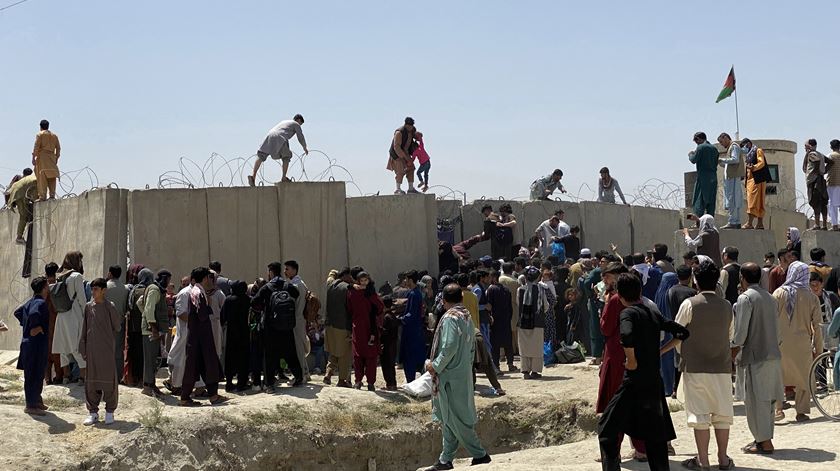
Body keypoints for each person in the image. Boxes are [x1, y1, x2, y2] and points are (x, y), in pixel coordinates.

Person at [597, 273, 688, 471]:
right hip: (653, 382)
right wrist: (661, 351)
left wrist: (631, 360)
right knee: (655, 436)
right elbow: (682, 332)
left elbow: (627, 336)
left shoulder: (628, 313)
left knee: (606, 428)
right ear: (640, 291)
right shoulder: (652, 312)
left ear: (620, 295)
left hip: (633, 382)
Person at [671, 260, 735, 471]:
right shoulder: (727, 306)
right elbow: (730, 336)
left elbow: (677, 334)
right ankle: (723, 459)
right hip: (722, 367)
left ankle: (703, 460)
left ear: (695, 280)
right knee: (722, 414)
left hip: (695, 367)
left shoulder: (689, 304)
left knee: (699, 415)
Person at [422, 284, 491, 471]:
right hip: (461, 374)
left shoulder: (451, 318)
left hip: (449, 376)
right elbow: (469, 348)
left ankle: (480, 454)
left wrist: (434, 366)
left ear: (444, 300)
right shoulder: (466, 315)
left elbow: (449, 346)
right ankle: (446, 459)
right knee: (449, 417)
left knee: (454, 419)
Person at [732, 263, 783, 454]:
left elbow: (740, 335)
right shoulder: (770, 298)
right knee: (768, 402)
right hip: (773, 355)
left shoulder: (745, 299)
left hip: (755, 357)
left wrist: (731, 353)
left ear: (742, 278)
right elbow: (778, 333)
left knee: (755, 403)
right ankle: (764, 439)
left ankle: (764, 442)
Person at [772, 261, 823, 421]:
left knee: (778, 376)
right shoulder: (812, 297)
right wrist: (819, 350)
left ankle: (778, 409)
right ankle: (801, 411)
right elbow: (817, 326)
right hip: (802, 345)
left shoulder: (778, 293)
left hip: (779, 343)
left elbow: (770, 319)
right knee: (804, 378)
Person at [179, 267, 228, 406]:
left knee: (205, 366)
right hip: (201, 337)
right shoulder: (198, 293)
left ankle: (212, 396)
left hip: (198, 337)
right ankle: (186, 398)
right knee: (201, 365)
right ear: (205, 278)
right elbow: (200, 314)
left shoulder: (197, 291)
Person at [252, 262, 304, 390]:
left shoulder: (267, 287)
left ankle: (269, 383)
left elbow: (254, 302)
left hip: (271, 326)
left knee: (270, 355)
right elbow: (296, 294)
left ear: (270, 271)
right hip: (287, 325)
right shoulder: (287, 285)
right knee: (290, 352)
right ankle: (298, 377)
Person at [79, 278, 122, 426]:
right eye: (92, 289)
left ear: (104, 290)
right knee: (91, 382)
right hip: (92, 350)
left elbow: (117, 326)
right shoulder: (88, 307)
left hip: (106, 350)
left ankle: (110, 412)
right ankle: (93, 413)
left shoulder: (110, 306)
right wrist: (82, 346)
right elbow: (84, 328)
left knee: (108, 380)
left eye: (96, 289)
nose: (93, 292)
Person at [14, 276, 51, 416]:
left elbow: (17, 312)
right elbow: (35, 315)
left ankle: (36, 401)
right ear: (43, 288)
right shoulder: (40, 303)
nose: (48, 288)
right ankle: (31, 405)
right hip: (36, 345)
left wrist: (26, 323)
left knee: (36, 373)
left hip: (28, 344)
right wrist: (36, 327)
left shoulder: (30, 302)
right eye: (47, 286)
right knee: (34, 374)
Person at [52, 251, 87, 383]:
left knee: (63, 348)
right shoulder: (77, 276)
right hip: (74, 314)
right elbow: (82, 300)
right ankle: (82, 377)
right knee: (77, 346)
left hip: (61, 315)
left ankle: (66, 376)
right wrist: (86, 315)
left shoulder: (60, 275)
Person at [249, 114, 308, 186]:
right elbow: (300, 137)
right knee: (287, 156)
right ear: (299, 120)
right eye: (300, 124)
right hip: (280, 136)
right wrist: (304, 147)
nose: (300, 125)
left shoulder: (285, 122)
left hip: (270, 135)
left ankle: (253, 176)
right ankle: (284, 177)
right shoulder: (296, 124)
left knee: (261, 156)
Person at [348, 272, 384, 390]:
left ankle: (369, 382)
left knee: (369, 357)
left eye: (366, 280)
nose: (363, 283)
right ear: (358, 281)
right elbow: (380, 307)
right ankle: (360, 381)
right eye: (361, 281)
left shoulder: (366, 293)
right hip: (361, 328)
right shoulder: (356, 292)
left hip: (368, 329)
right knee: (360, 357)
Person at [667, 265, 698, 398]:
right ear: (690, 276)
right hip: (689, 329)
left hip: (675, 326)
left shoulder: (671, 291)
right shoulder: (692, 293)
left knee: (677, 360)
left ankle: (675, 389)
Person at [141, 269, 172, 398]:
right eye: (168, 280)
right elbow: (149, 308)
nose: (169, 283)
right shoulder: (154, 290)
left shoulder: (156, 289)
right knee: (150, 359)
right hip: (151, 330)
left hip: (155, 329)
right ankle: (148, 387)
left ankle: (151, 384)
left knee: (154, 359)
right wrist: (152, 326)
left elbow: (140, 303)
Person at [517, 266, 549, 379]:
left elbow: (518, 304)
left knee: (524, 346)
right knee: (536, 347)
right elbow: (546, 306)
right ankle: (535, 371)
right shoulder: (541, 290)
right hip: (537, 322)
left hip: (523, 322)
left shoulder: (520, 289)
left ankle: (525, 370)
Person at [324, 267, 353, 387]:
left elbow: (331, 275)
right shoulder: (347, 288)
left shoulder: (330, 284)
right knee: (344, 354)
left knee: (334, 351)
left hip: (330, 325)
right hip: (343, 326)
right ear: (345, 276)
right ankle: (342, 380)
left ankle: (328, 373)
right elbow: (351, 309)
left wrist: (335, 272)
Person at [125, 268, 152, 387]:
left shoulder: (133, 290)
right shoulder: (147, 291)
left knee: (135, 353)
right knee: (143, 354)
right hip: (143, 328)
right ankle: (142, 378)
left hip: (133, 328)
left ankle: (135, 377)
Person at [284, 260, 311, 382]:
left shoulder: (295, 285)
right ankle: (305, 372)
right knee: (299, 346)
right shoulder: (301, 283)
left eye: (287, 269)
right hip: (300, 319)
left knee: (298, 347)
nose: (285, 271)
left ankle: (302, 375)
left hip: (296, 318)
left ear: (294, 270)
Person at [222, 281, 251, 392]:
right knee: (243, 358)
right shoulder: (248, 300)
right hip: (244, 332)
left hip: (231, 333)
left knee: (230, 358)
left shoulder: (228, 300)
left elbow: (223, 316)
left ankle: (229, 383)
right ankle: (241, 383)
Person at [487, 271, 515, 372]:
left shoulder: (491, 289)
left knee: (495, 344)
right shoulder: (506, 290)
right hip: (506, 319)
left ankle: (496, 365)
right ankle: (510, 364)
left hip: (495, 320)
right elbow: (510, 307)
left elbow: (489, 306)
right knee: (508, 343)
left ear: (494, 277)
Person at [402, 270, 427, 382]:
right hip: (417, 329)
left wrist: (400, 320)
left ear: (410, 280)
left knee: (409, 357)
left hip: (410, 331)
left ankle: (410, 381)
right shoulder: (417, 293)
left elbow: (410, 314)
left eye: (406, 279)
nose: (405, 281)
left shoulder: (413, 294)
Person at [105, 266, 129, 381]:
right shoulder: (125, 288)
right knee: (118, 350)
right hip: (119, 322)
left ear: (110, 273)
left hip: (104, 322)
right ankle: (118, 376)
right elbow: (126, 307)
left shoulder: (104, 287)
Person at [717, 132, 744, 229]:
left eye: (721, 142)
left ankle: (733, 221)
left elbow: (735, 159)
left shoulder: (734, 146)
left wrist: (722, 160)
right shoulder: (730, 148)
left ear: (725, 138)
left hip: (733, 177)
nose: (721, 144)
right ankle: (734, 221)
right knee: (731, 199)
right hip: (730, 177)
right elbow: (731, 163)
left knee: (733, 199)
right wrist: (722, 163)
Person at [688, 131, 719, 217]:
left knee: (699, 199)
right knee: (711, 201)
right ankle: (709, 222)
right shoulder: (714, 149)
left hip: (703, 178)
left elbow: (694, 160)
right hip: (713, 177)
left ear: (698, 139)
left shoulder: (701, 147)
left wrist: (690, 154)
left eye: (696, 141)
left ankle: (698, 221)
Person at [741, 138, 770, 229]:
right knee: (756, 200)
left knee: (754, 201)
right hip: (752, 180)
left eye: (744, 146)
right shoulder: (749, 154)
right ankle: (759, 224)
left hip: (757, 179)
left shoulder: (757, 150)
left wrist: (754, 167)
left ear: (748, 144)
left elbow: (761, 162)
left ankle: (750, 223)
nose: (744, 149)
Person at [387, 117, 419, 195]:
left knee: (411, 168)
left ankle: (411, 189)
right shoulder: (399, 133)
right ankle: (397, 189)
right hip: (397, 155)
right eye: (409, 125)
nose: (410, 127)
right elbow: (396, 147)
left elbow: (415, 136)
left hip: (406, 152)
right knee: (400, 171)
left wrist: (418, 136)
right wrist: (404, 157)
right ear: (405, 124)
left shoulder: (412, 130)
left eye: (411, 126)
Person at [32, 119, 61, 201]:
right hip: (52, 157)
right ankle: (52, 195)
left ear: (40, 126)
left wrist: (33, 157)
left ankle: (42, 196)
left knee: (42, 176)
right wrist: (56, 157)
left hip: (42, 157)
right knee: (52, 176)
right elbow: (58, 148)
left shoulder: (40, 134)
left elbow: (36, 146)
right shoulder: (54, 136)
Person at [803, 138, 829, 230]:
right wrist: (824, 171)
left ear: (809, 145)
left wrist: (816, 172)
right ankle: (825, 225)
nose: (805, 148)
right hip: (820, 179)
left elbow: (816, 161)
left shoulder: (812, 154)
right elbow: (830, 162)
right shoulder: (820, 154)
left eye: (805, 146)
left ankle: (817, 224)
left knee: (815, 201)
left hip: (814, 181)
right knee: (823, 203)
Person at [6, 168, 36, 244]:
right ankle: (19, 237)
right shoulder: (32, 178)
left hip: (16, 196)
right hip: (20, 197)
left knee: (25, 214)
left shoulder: (21, 180)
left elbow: (8, 191)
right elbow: (35, 190)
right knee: (23, 216)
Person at [379, 295, 400, 391]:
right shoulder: (393, 316)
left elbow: (385, 332)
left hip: (387, 345)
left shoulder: (386, 317)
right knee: (391, 365)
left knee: (386, 365)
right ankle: (393, 384)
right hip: (393, 345)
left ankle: (389, 384)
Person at [827, 139, 840, 231]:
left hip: (832, 182)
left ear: (831, 147)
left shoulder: (830, 156)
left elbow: (825, 169)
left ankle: (834, 225)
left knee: (832, 204)